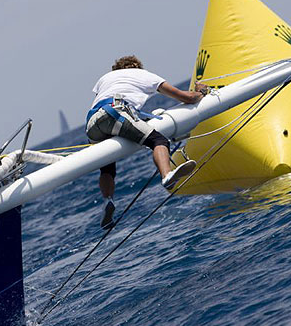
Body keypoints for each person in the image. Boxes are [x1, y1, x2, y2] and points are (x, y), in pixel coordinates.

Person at [86, 55, 210, 229]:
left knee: (107, 166)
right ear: (137, 67)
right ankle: (167, 175)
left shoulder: (104, 79)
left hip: (92, 124)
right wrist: (201, 91)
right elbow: (186, 97)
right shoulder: (144, 75)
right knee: (158, 140)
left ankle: (107, 200)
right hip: (115, 113)